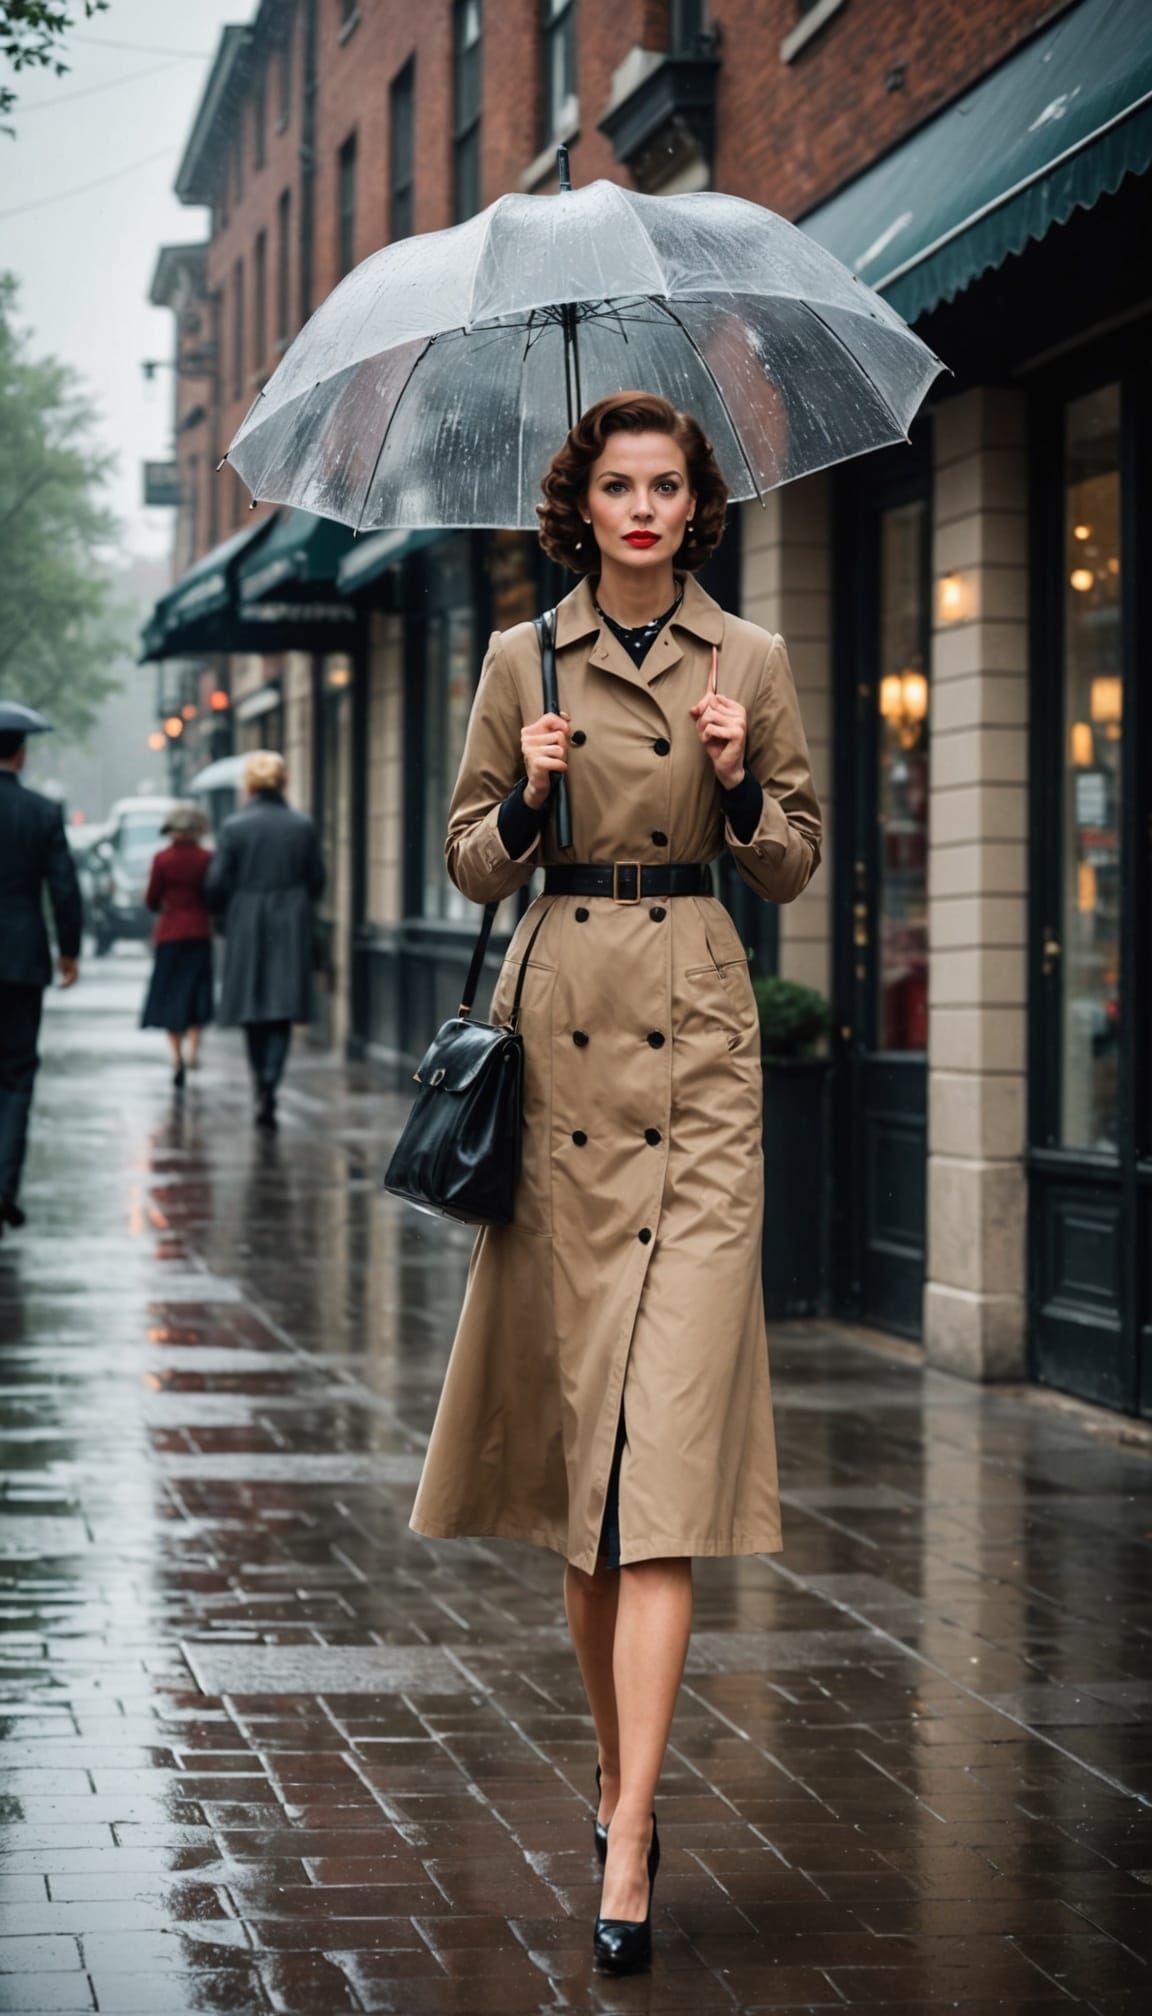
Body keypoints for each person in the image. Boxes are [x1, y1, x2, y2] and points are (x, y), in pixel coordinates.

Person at [409, 392, 821, 1974]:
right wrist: (527, 791)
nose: (642, 509)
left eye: (666, 487)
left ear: (693, 508)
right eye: (616, 488)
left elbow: (789, 860)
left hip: (703, 1057)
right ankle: (618, 1767)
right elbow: (467, 859)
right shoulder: (524, 661)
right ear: (580, 510)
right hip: (564, 1034)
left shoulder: (754, 660)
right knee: (591, 1484)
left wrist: (730, 780)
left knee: (668, 1471)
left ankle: (632, 1826)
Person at [205, 750, 325, 1129]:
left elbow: (217, 882)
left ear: (251, 786)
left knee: (251, 1007)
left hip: (247, 917)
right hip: (290, 917)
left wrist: (224, 911)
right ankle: (271, 1078)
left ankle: (262, 1079)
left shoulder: (235, 827)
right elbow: (317, 878)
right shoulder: (301, 825)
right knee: (282, 1007)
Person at [0, 701, 83, 1238]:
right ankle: (4, 1188)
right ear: (22, 752)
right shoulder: (43, 813)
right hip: (22, 957)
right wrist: (69, 950)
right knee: (16, 1076)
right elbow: (65, 889)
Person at [140, 804, 215, 1089]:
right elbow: (214, 893)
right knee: (197, 991)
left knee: (171, 995)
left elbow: (151, 898)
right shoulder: (206, 858)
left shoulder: (162, 859)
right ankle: (194, 1048)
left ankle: (176, 1055)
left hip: (170, 933)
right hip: (198, 931)